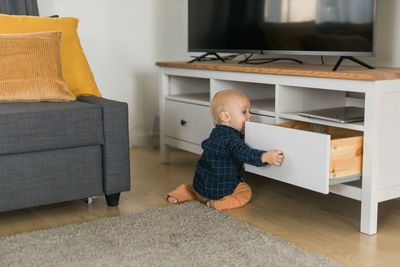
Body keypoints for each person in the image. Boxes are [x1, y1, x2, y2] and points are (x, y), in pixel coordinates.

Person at [166, 90, 283, 210]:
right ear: (225, 117)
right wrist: (264, 157)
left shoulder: (215, 133)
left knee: (192, 188)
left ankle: (180, 193)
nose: (250, 115)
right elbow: (244, 153)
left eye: (249, 111)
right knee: (245, 192)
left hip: (200, 186)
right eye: (244, 112)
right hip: (221, 192)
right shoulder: (232, 140)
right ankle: (218, 204)